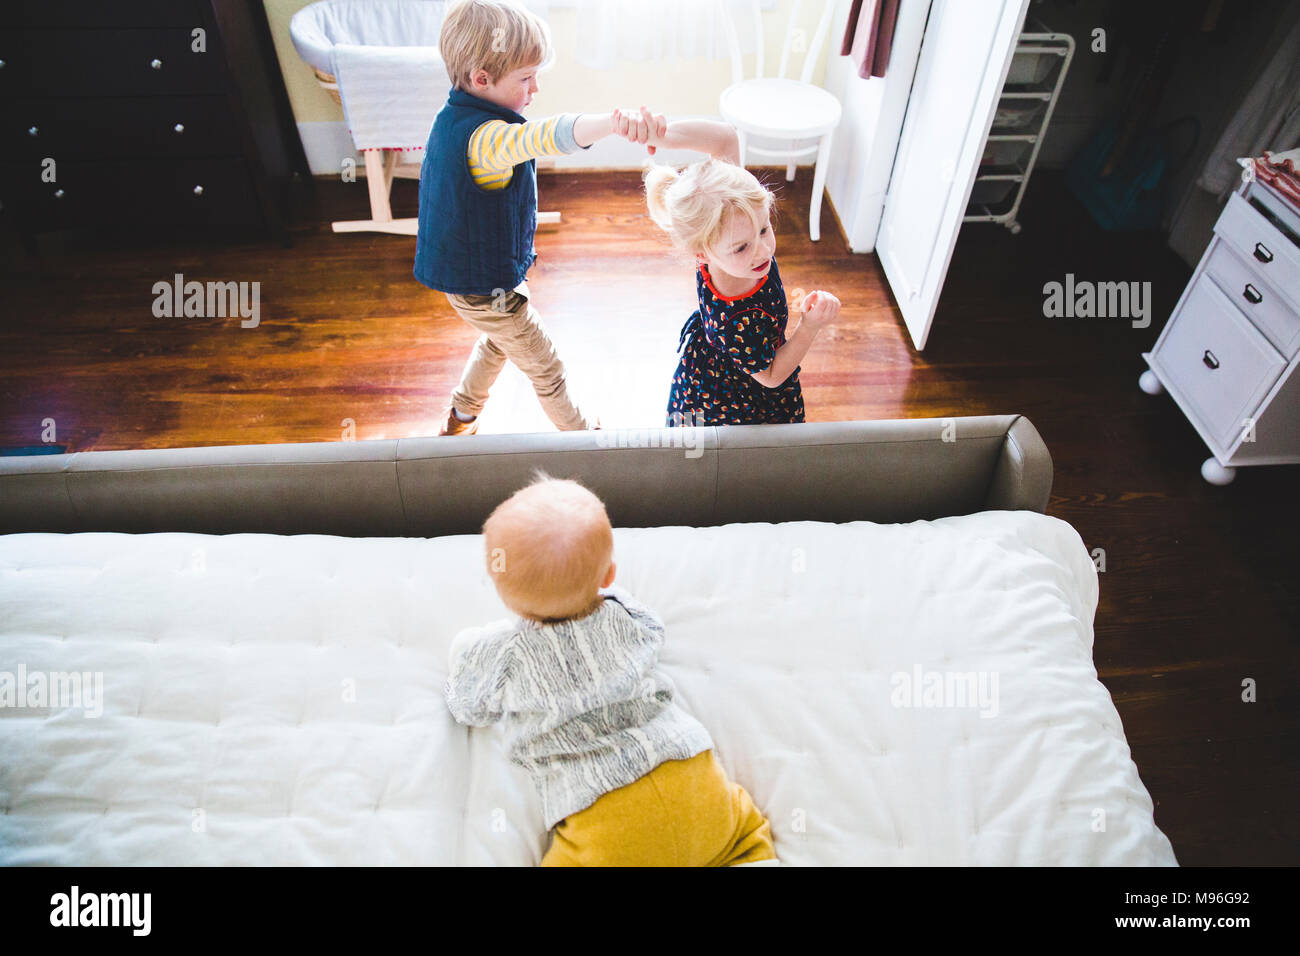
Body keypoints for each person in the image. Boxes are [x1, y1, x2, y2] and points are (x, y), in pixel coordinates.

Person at [445, 474, 779, 866]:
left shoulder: (506, 654)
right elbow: (654, 631)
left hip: (604, 818)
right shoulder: (623, 615)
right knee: (743, 840)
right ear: (607, 576)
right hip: (692, 778)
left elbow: (468, 706)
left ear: (504, 594)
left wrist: (465, 652)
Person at [414, 0, 659, 435]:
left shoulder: (452, 116)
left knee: (499, 343)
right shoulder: (488, 139)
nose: (536, 88)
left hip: (473, 281)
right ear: (481, 79)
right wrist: (613, 124)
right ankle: (585, 441)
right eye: (526, 78)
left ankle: (460, 420)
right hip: (486, 289)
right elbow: (545, 135)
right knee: (548, 369)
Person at [640, 114, 842, 425]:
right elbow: (773, 376)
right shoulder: (734, 323)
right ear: (702, 254)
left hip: (745, 357)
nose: (763, 250)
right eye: (742, 247)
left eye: (764, 229)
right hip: (734, 398)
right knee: (736, 460)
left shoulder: (730, 222)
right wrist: (810, 326)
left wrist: (665, 137)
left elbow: (724, 138)